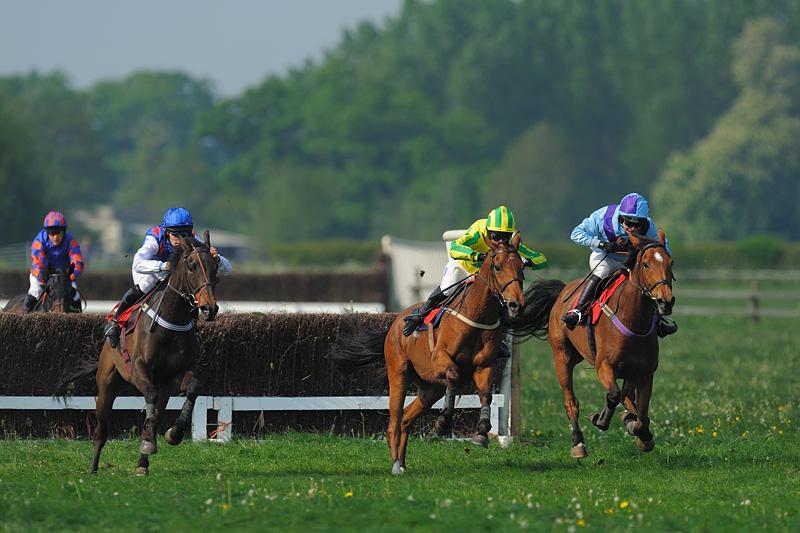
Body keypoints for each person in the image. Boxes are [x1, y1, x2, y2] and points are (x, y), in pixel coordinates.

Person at [402, 205, 548, 337]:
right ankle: (420, 314)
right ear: (488, 231)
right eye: (496, 236)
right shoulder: (479, 230)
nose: (500, 242)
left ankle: (499, 339)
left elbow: (542, 260)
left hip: (483, 278)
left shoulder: (511, 245)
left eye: (505, 237)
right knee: (448, 288)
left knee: (500, 302)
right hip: (462, 268)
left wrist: (526, 261)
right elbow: (454, 247)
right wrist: (477, 256)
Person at [104, 207, 232, 348]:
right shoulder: (155, 237)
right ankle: (115, 321)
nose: (180, 238)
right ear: (166, 232)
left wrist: (217, 259)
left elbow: (228, 269)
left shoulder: (193, 239)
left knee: (189, 288)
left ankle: (193, 328)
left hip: (171, 272)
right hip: (149, 270)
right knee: (147, 283)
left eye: (184, 233)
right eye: (175, 234)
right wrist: (163, 266)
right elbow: (138, 263)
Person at [560, 192, 678, 337]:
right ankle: (577, 311)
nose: (632, 228)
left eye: (637, 224)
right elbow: (576, 234)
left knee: (644, 282)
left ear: (644, 221)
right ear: (621, 217)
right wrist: (602, 244)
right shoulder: (603, 217)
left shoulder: (649, 227)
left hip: (629, 262)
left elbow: (664, 248)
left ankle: (658, 321)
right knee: (603, 271)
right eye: (628, 223)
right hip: (605, 257)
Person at [23, 211, 84, 313]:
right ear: (47, 232)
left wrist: (70, 277)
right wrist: (43, 278)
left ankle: (80, 320)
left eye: (59, 233)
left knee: (75, 295)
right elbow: (37, 264)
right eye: (52, 233)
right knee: (35, 291)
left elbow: (77, 261)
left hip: (64, 278)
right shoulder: (39, 241)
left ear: (64, 232)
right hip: (43, 277)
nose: (56, 237)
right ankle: (23, 318)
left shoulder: (71, 241)